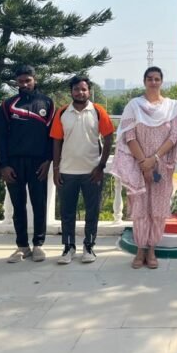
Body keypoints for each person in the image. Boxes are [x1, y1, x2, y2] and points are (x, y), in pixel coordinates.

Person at [111, 66, 177, 269]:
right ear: (144, 81)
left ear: (161, 81)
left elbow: (173, 137)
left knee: (157, 209)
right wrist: (144, 163)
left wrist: (154, 159)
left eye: (157, 79)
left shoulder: (171, 107)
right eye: (150, 78)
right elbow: (129, 136)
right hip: (137, 166)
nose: (153, 82)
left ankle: (152, 250)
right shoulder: (134, 106)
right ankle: (140, 250)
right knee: (140, 208)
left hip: (162, 167)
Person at [50, 75, 115, 265]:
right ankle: (68, 247)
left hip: (92, 172)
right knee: (67, 212)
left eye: (84, 89)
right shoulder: (62, 112)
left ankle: (89, 246)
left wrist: (101, 166)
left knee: (92, 212)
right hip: (67, 171)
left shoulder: (98, 111)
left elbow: (109, 138)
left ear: (89, 91)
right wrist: (56, 168)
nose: (80, 92)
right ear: (71, 91)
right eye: (76, 89)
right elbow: (56, 141)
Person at [0, 65, 55, 263]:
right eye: (20, 81)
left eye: (28, 80)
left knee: (39, 204)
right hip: (13, 163)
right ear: (16, 82)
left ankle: (38, 245)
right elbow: (1, 137)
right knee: (18, 206)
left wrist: (48, 160)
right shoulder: (8, 104)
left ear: (34, 80)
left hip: (38, 163)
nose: (24, 84)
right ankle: (22, 246)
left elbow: (52, 136)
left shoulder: (47, 102)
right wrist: (4, 164)